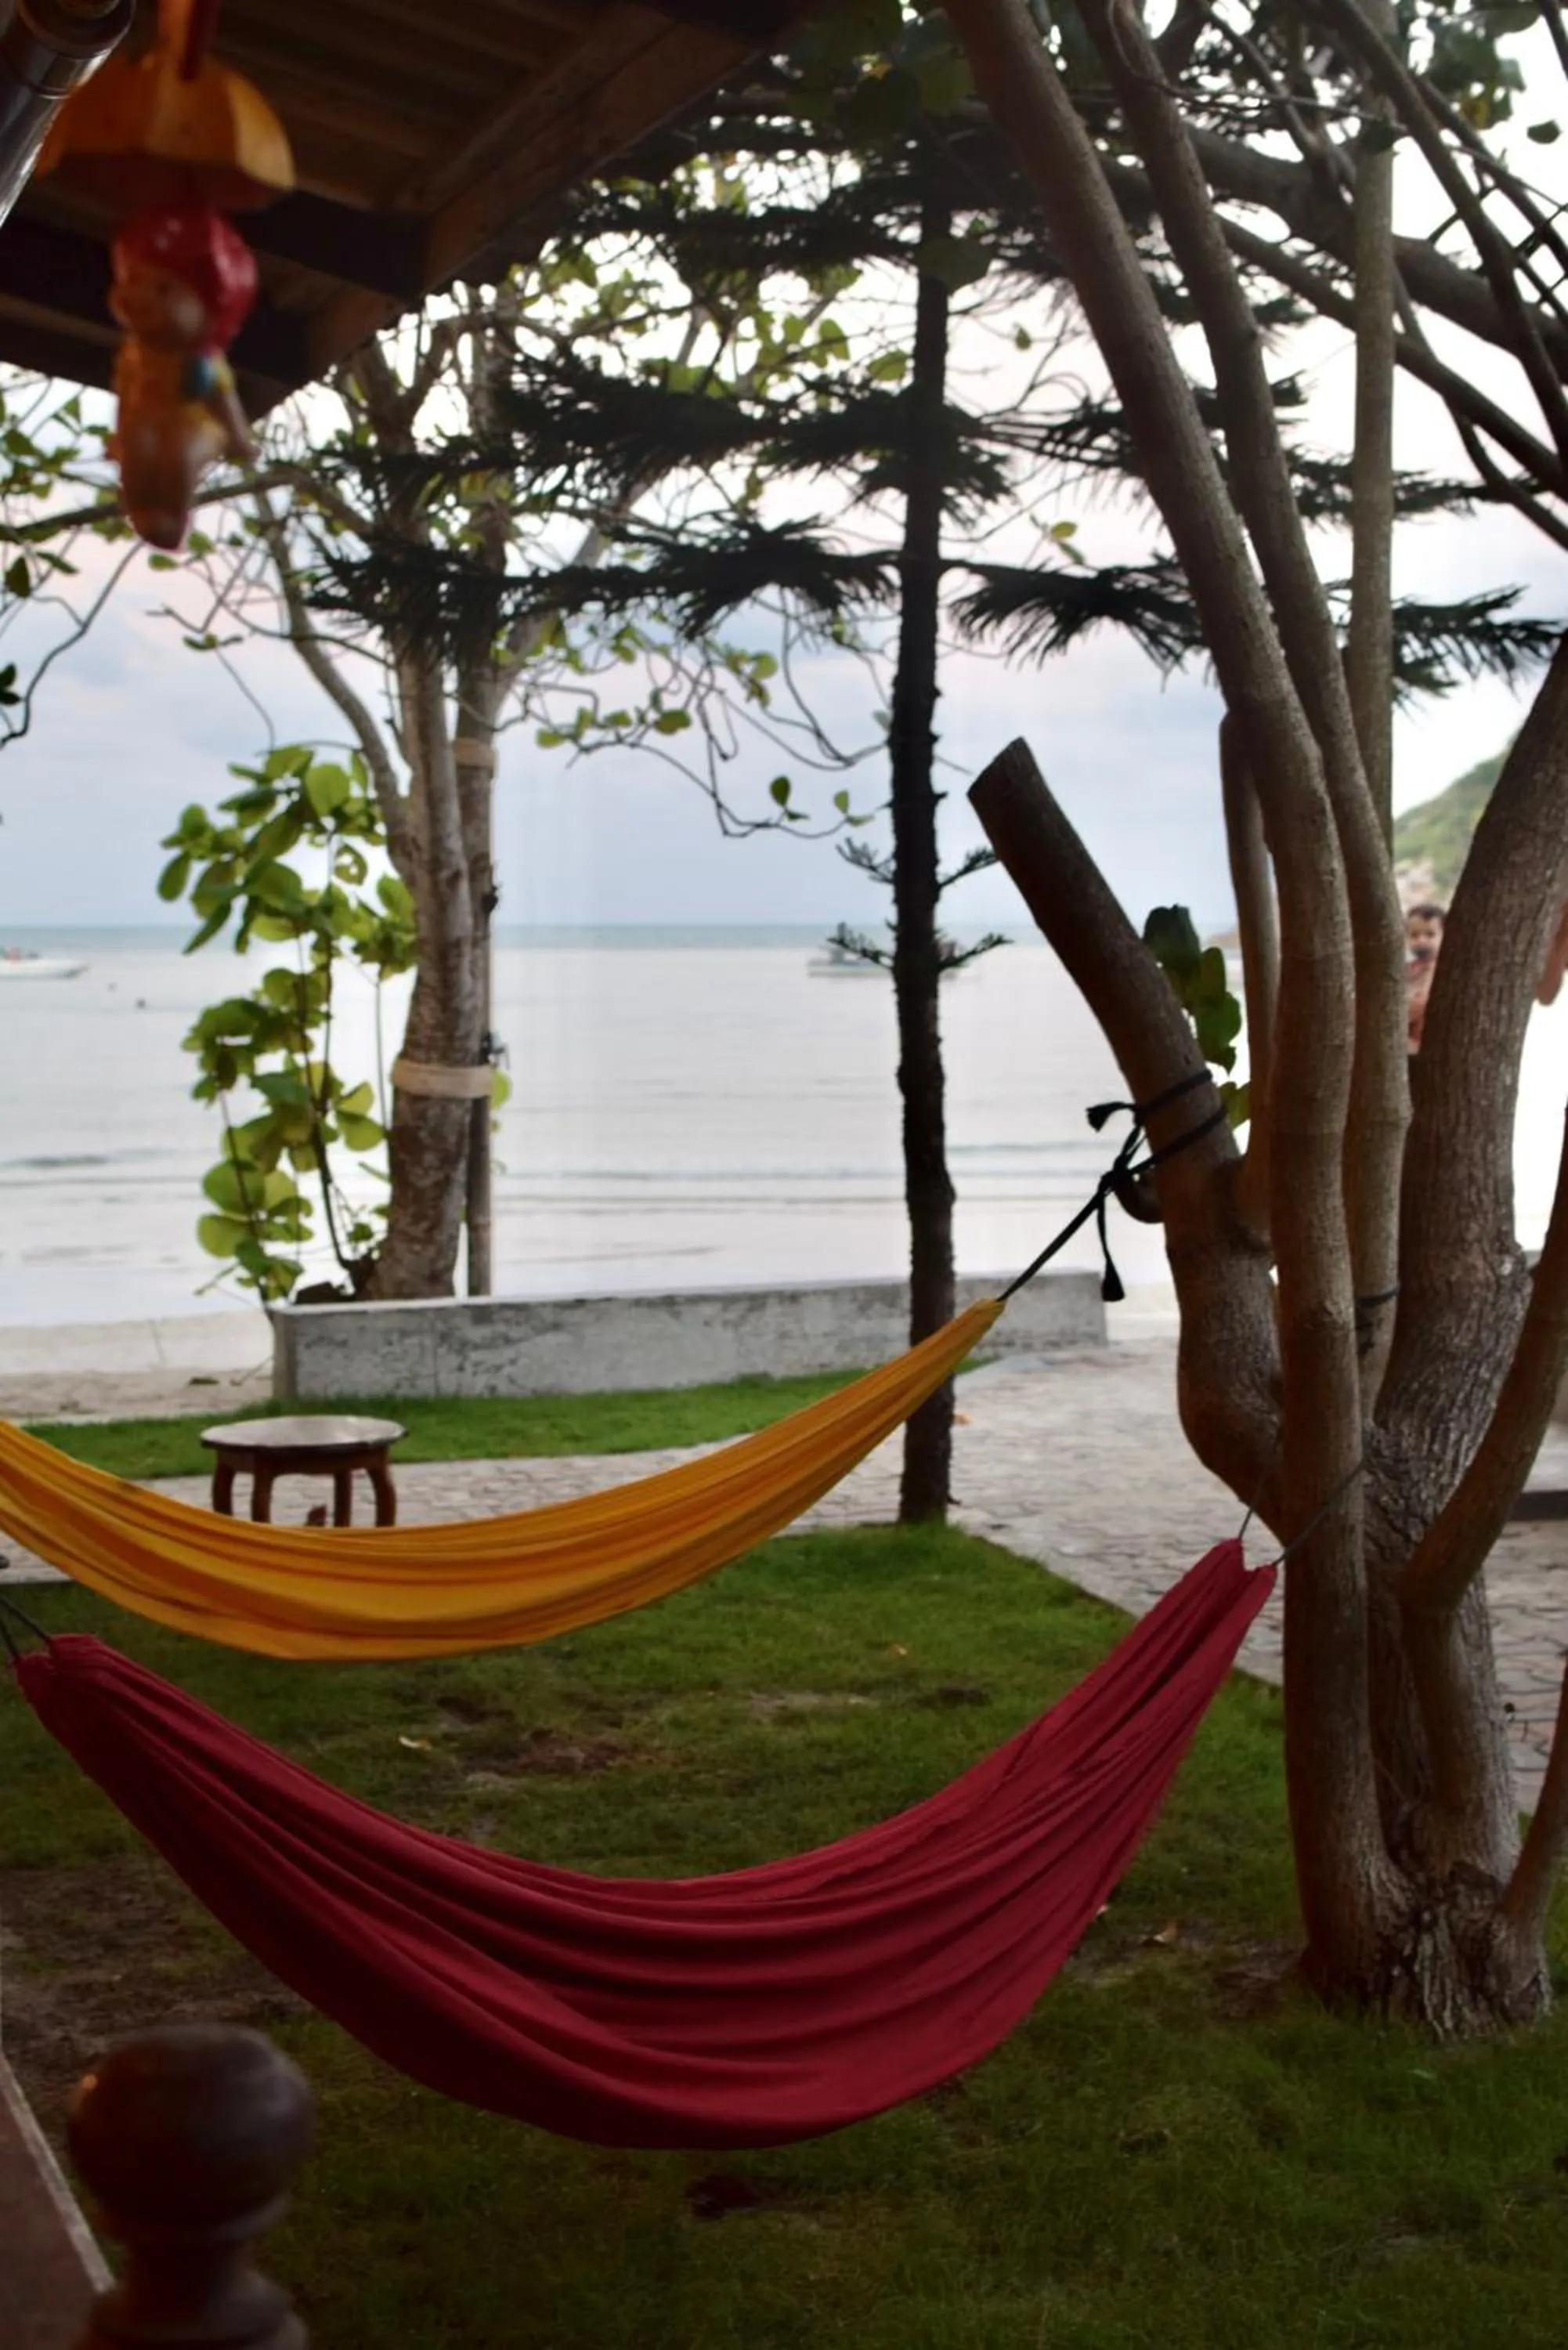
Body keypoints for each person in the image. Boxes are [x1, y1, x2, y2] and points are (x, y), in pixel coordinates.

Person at [1405, 902, 1444, 1056]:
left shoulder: (1440, 969)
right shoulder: (1409, 969)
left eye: (1430, 934)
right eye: (1414, 935)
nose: (1421, 940)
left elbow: (1419, 1004)